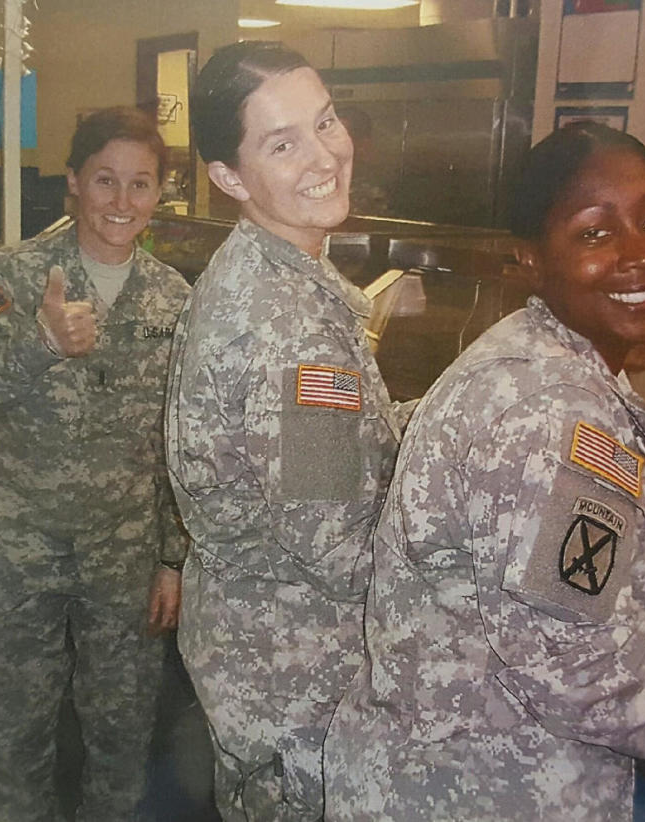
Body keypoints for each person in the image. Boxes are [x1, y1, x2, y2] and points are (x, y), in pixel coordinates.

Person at [323, 123, 645, 821]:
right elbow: (587, 668)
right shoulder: (554, 416)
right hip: (474, 794)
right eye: (593, 233)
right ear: (530, 258)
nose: (641, 253)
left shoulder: (539, 357)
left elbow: (586, 571)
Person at [165, 41, 413, 820]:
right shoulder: (291, 329)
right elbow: (336, 541)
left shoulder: (270, 271)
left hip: (257, 661)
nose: (324, 155)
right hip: (302, 680)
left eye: (326, 121)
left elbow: (333, 452)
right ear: (231, 179)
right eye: (283, 142)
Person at [0, 106, 189, 822]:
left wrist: (173, 557)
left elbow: (183, 439)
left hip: (124, 558)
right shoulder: (4, 278)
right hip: (12, 553)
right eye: (105, 180)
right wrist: (36, 347)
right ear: (74, 181)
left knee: (123, 742)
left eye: (140, 185)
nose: (121, 202)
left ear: (159, 193)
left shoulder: (177, 300)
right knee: (15, 744)